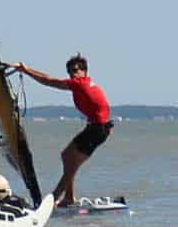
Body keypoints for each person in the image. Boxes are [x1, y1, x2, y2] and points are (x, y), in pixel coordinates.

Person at [13, 53, 112, 206]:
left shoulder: (80, 84)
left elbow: (48, 81)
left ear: (84, 71)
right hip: (97, 128)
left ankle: (52, 199)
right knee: (67, 157)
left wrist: (26, 71)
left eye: (76, 70)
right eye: (70, 71)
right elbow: (49, 77)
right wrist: (26, 69)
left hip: (98, 129)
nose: (73, 73)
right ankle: (68, 197)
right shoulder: (83, 83)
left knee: (72, 164)